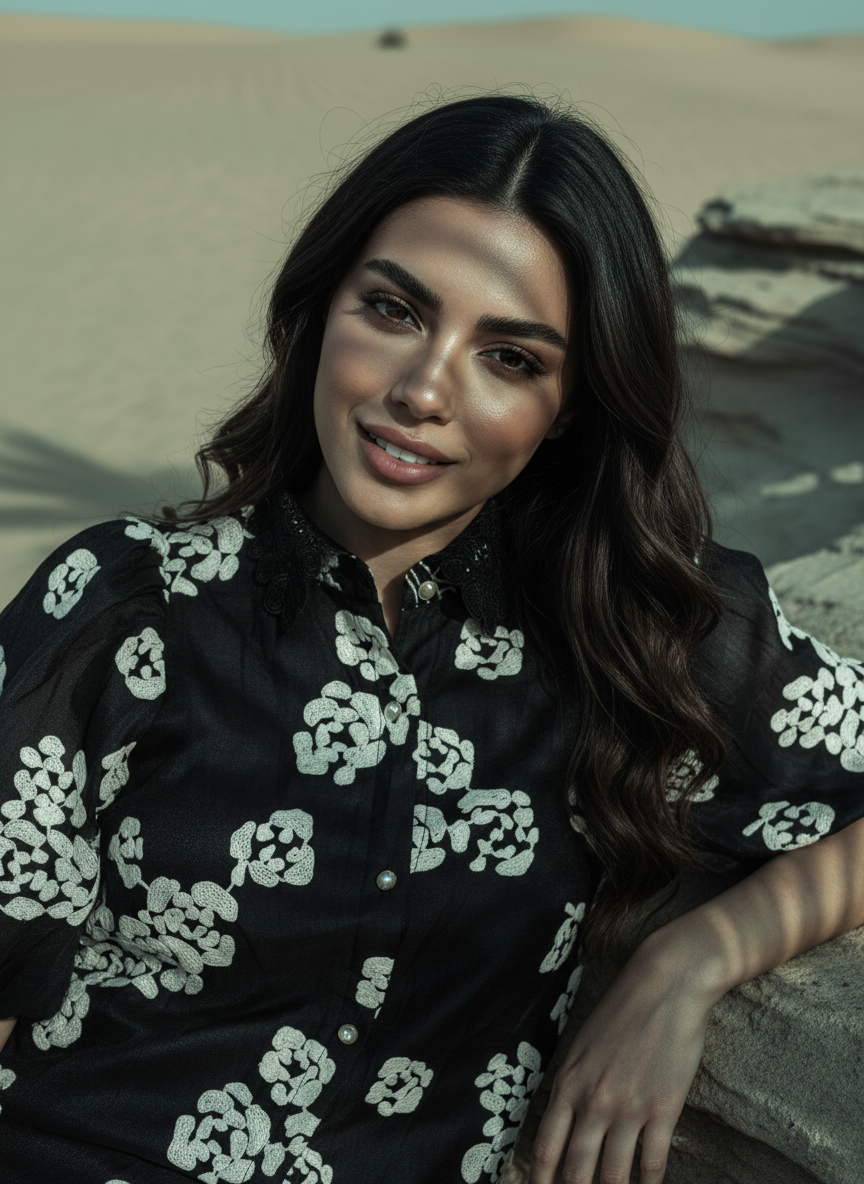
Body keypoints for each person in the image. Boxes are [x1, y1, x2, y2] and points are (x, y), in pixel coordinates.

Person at [0, 92, 862, 1184]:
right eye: (396, 310)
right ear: (322, 306)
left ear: (571, 406)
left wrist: (694, 959)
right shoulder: (126, 606)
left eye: (510, 357)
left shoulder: (633, 632)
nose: (422, 392)